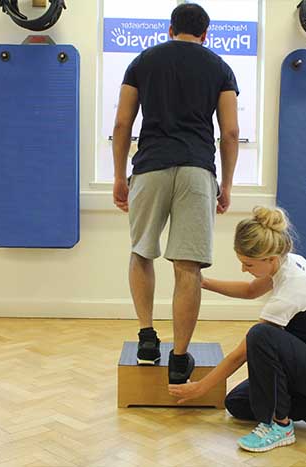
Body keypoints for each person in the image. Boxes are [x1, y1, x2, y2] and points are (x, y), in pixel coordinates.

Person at [111, 3, 240, 385]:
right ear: (206, 34)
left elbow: (122, 123)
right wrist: (226, 184)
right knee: (188, 267)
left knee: (141, 251)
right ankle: (180, 357)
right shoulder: (219, 68)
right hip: (197, 170)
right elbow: (230, 133)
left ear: (170, 29)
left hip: (149, 167)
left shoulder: (142, 62)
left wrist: (119, 176)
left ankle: (148, 337)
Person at [168, 206, 306, 452]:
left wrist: (200, 388)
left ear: (270, 259)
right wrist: (201, 282)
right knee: (237, 404)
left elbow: (242, 353)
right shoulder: (286, 262)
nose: (244, 269)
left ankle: (280, 427)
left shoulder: (293, 290)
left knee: (260, 336)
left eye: (248, 264)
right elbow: (249, 290)